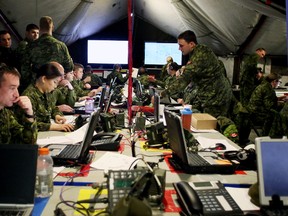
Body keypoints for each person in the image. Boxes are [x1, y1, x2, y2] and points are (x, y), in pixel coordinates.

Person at [169, 30, 232, 117]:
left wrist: (162, 95)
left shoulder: (201, 55)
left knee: (212, 123)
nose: (179, 49)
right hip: (211, 95)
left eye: (181, 45)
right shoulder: (196, 53)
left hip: (217, 96)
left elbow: (184, 79)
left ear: (191, 44)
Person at [21, 16, 74, 91]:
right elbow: (69, 67)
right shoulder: (61, 46)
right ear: (52, 27)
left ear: (40, 28)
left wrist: (32, 82)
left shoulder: (31, 46)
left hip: (37, 87)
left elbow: (24, 69)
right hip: (56, 86)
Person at [21, 63, 74, 132]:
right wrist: (55, 127)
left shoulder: (46, 92)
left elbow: (52, 108)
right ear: (44, 79)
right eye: (54, 82)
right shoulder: (29, 96)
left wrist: (56, 115)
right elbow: (27, 124)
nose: (55, 86)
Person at [0, 65, 37, 144]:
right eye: (12, 88)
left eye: (17, 88)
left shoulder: (5, 113)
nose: (17, 94)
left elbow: (28, 142)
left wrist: (29, 114)